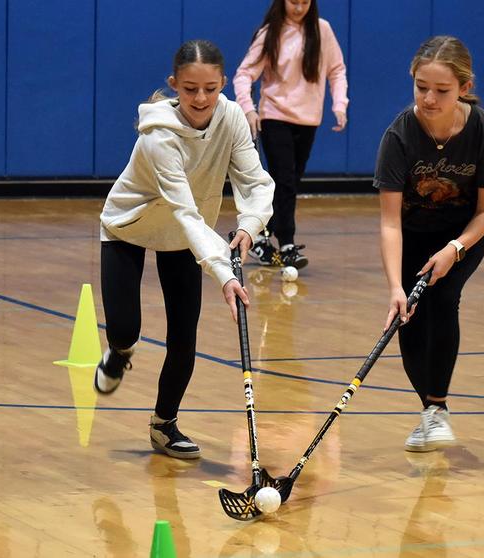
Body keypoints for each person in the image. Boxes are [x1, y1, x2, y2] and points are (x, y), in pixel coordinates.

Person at [95, 39, 274, 460]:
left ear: (223, 84)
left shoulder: (230, 119)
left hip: (182, 237)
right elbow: (186, 212)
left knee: (184, 336)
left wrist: (249, 225)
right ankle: (120, 353)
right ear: (174, 84)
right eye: (190, 88)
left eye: (210, 88)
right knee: (125, 329)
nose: (201, 98)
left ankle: (164, 424)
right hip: (129, 226)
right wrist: (225, 274)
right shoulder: (159, 137)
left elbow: (256, 183)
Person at [373, 36, 484, 452]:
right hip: (412, 233)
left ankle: (436, 407)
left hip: (465, 233)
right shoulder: (398, 137)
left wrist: (454, 249)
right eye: (421, 87)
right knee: (410, 316)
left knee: (444, 296)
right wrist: (395, 289)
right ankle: (431, 410)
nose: (429, 99)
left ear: (465, 89)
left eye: (441, 90)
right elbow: (389, 223)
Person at [233, 0, 349, 269]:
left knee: (288, 183)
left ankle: (260, 237)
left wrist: (339, 104)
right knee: (284, 181)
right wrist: (248, 109)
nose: (298, 8)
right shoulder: (270, 32)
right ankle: (287, 243)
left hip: (308, 119)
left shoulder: (322, 30)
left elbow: (337, 70)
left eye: (304, 2)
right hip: (274, 116)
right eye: (293, 2)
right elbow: (243, 74)